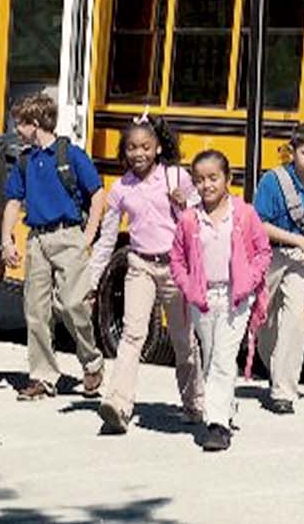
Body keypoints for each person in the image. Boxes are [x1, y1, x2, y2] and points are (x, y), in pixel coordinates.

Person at [89, 113, 203, 434]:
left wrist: (184, 204)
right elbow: (107, 238)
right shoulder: (120, 189)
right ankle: (118, 405)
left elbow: (201, 216)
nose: (138, 154)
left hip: (174, 267)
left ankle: (194, 401)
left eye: (145, 147)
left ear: (157, 148)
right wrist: (92, 281)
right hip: (139, 264)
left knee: (183, 340)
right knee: (132, 334)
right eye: (131, 148)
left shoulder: (176, 177)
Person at [0, 93, 106, 402]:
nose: (16, 130)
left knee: (73, 304)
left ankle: (91, 361)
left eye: (19, 124)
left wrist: (87, 236)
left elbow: (97, 194)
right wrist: (7, 239)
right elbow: (12, 202)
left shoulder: (70, 155)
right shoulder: (24, 160)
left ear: (34, 124)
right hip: (37, 238)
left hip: (68, 234)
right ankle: (42, 377)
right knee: (36, 310)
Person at [170, 150, 271, 451]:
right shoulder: (190, 219)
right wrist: (188, 287)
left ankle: (217, 425)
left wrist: (250, 281)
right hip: (202, 296)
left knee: (223, 359)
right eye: (199, 180)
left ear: (228, 179)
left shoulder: (243, 214)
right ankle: (225, 406)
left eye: (213, 178)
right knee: (211, 355)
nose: (207, 185)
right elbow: (176, 258)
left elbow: (263, 251)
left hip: (235, 295)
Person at [253, 123, 304, 414]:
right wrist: (300, 240)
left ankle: (283, 391)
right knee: (262, 322)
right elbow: (260, 224)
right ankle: (275, 369)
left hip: (301, 261)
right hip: (270, 256)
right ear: (293, 152)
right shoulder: (272, 182)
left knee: (295, 323)